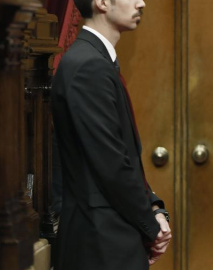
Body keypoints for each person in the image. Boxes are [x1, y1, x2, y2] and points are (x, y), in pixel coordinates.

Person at [51, 0, 171, 269]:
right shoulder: (87, 65)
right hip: (100, 243)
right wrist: (151, 227)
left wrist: (155, 208)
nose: (142, 3)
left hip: (108, 236)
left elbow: (122, 156)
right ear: (102, 2)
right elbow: (112, 165)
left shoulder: (95, 60)